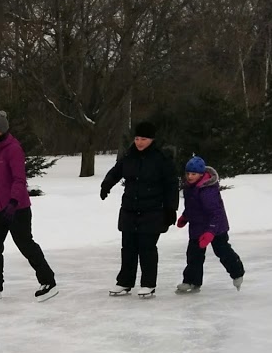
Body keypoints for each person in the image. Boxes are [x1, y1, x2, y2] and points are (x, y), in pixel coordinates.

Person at [0, 110, 57, 300]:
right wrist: (0, 203)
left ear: (0, 131)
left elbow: (19, 179)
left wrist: (13, 202)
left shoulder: (13, 149)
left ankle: (49, 281)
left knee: (25, 245)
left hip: (17, 208)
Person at [99, 120, 179, 297]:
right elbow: (116, 171)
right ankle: (124, 282)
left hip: (152, 211)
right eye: (136, 138)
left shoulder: (161, 159)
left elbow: (171, 184)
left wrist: (171, 209)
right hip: (129, 209)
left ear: (151, 139)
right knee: (127, 248)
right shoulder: (129, 156)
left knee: (147, 248)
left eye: (143, 138)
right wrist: (106, 185)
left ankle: (148, 283)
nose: (139, 142)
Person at [175, 156, 245, 294]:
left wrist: (210, 232)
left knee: (222, 251)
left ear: (201, 174)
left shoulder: (208, 190)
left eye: (193, 174)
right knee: (194, 254)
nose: (189, 176)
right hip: (197, 226)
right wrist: (185, 216)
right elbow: (193, 207)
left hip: (216, 227)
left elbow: (216, 213)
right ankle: (192, 281)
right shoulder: (190, 187)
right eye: (188, 173)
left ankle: (237, 272)